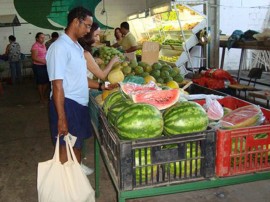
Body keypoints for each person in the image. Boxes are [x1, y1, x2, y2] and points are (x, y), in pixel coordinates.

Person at [46, 7, 112, 166]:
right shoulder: (59, 47)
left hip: (79, 104)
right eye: (87, 26)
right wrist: (61, 118)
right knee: (65, 148)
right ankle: (66, 186)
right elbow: (57, 85)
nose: (89, 30)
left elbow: (79, 79)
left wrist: (102, 86)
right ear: (76, 21)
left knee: (77, 145)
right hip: (67, 104)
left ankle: (75, 182)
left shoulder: (76, 47)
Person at [31, 32, 49, 104]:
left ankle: (43, 96)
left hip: (44, 65)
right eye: (41, 37)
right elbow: (34, 58)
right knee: (40, 82)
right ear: (37, 38)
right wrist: (45, 62)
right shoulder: (35, 46)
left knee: (46, 82)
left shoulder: (43, 45)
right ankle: (41, 97)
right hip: (38, 66)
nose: (43, 39)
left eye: (43, 37)